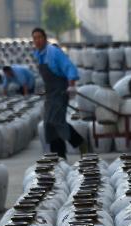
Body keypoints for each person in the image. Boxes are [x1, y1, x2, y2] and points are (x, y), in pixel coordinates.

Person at [31, 27, 86, 158]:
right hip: (50, 95)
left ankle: (81, 143)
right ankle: (59, 156)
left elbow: (69, 67)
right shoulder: (39, 55)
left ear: (45, 38)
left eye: (39, 37)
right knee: (49, 125)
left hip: (60, 92)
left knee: (57, 122)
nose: (37, 40)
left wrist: (71, 85)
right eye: (35, 38)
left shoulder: (53, 51)